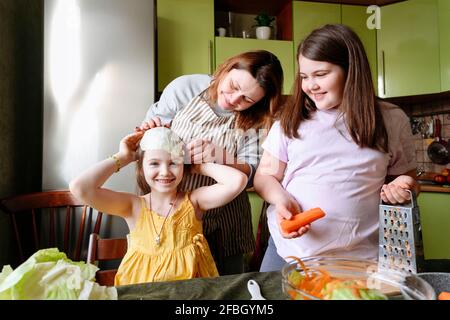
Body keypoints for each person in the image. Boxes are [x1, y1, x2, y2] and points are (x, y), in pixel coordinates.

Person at [253, 24, 419, 272]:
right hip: (289, 254)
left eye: (320, 74)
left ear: (351, 70)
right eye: (304, 76)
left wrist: (404, 187)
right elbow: (265, 177)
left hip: (361, 261)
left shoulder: (392, 120)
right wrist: (281, 199)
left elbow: (407, 182)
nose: (310, 86)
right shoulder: (291, 119)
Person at [139, 50, 284, 275]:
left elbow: (255, 174)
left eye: (247, 99)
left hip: (225, 218)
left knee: (226, 285)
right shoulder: (185, 88)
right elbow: (149, 140)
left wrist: (221, 157)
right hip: (172, 209)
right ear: (227, 68)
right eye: (234, 86)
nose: (234, 100)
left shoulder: (259, 117)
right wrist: (150, 130)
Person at [69, 127, 248, 285]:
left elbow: (238, 181)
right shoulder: (133, 206)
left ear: (183, 165)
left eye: (174, 163)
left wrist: (199, 166)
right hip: (142, 291)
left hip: (189, 293)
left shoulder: (194, 201)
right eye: (154, 163)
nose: (165, 172)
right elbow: (80, 188)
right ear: (142, 167)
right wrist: (123, 158)